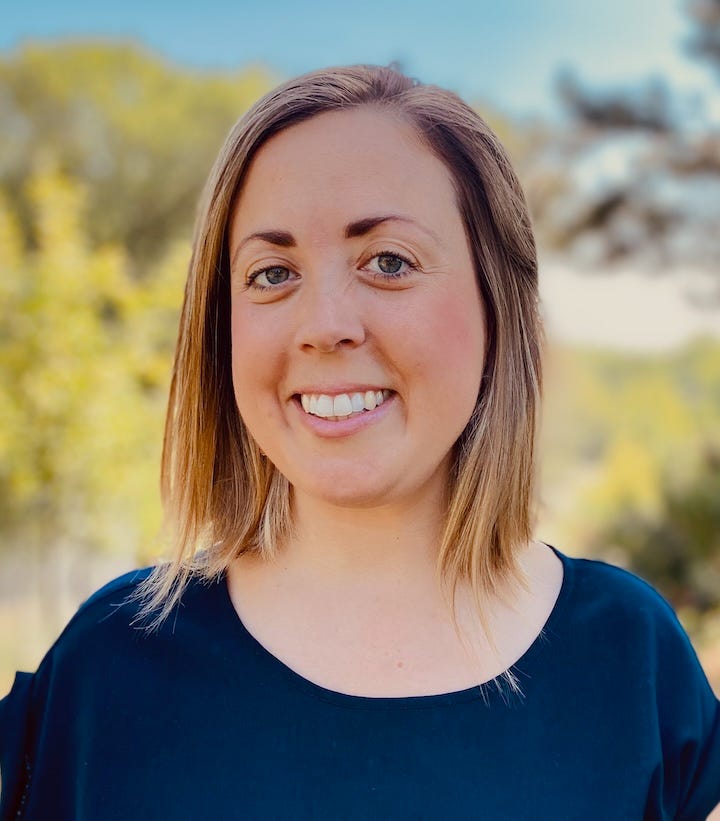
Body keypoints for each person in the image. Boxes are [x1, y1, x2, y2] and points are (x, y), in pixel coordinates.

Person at [1, 64, 719, 820]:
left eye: (388, 262)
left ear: (498, 302)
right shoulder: (109, 667)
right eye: (272, 273)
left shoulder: (632, 663)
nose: (324, 324)